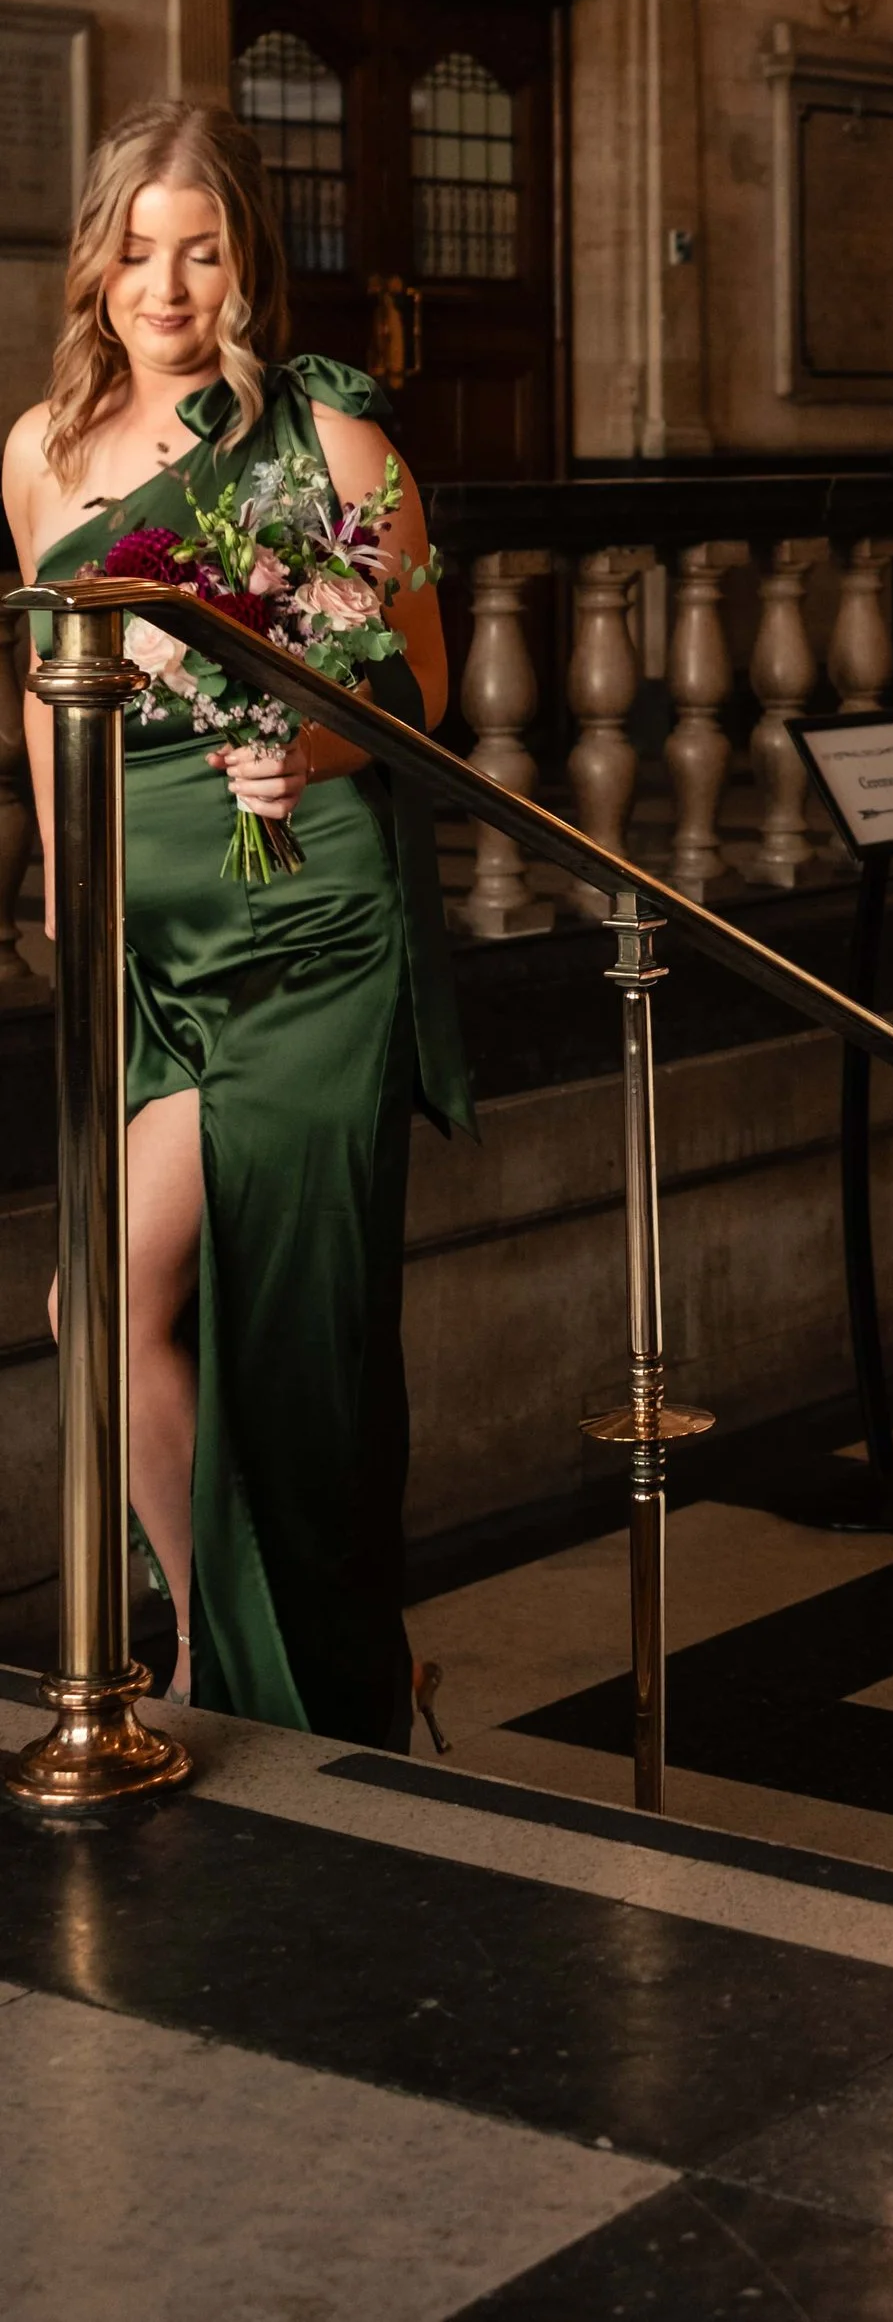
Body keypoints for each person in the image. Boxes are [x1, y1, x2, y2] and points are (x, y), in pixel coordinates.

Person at [5, 99, 466, 1748]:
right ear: (99, 261)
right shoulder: (40, 451)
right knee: (110, 1311)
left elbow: (416, 689)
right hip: (157, 946)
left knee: (270, 1333)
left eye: (199, 248)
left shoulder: (330, 441)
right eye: (138, 249)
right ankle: (240, 1646)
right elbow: (53, 710)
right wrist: (78, 912)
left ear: (243, 259)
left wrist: (304, 736)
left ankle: (279, 1665)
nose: (167, 282)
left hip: (315, 936)